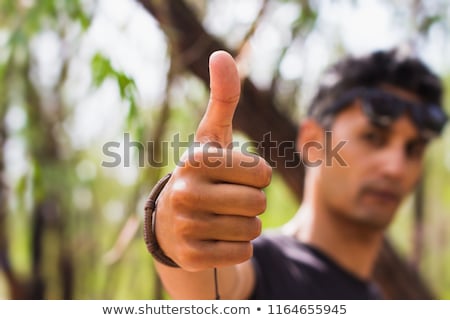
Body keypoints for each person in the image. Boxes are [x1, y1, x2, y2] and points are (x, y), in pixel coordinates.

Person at [143, 49, 447, 299]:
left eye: (414, 149)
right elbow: (214, 287)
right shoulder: (261, 269)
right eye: (373, 137)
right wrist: (168, 228)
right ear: (314, 143)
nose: (396, 167)